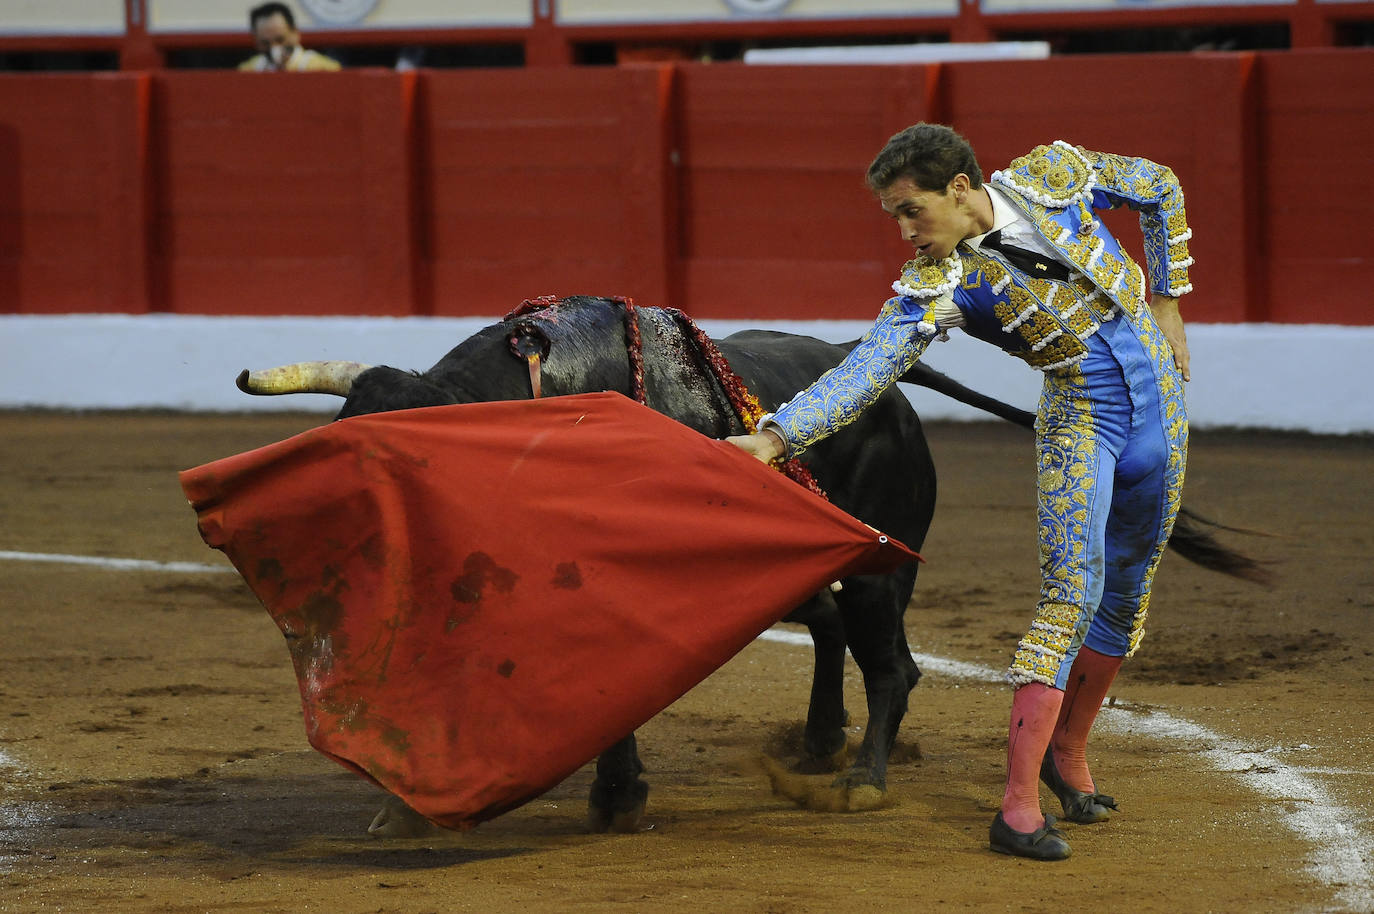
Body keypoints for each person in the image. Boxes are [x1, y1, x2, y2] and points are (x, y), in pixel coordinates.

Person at [727, 123, 1193, 861]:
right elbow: (866, 369)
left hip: (1163, 417)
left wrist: (1167, 300)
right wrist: (776, 437)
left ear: (961, 189)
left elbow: (1160, 185)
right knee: (1070, 597)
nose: (905, 232)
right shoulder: (938, 286)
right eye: (894, 218)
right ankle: (1016, 811)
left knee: (1127, 597)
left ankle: (1066, 755)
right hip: (1083, 423)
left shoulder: (1055, 176)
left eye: (912, 212)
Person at [238, 2, 341, 72]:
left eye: (280, 39)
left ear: (295, 34)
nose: (274, 48)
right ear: (256, 42)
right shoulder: (248, 71)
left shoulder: (324, 69)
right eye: (265, 43)